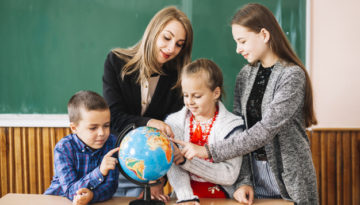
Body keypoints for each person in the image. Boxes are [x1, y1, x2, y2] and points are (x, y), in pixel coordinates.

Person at [171, 3, 319, 205]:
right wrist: (244, 180)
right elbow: (241, 131)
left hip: (288, 176)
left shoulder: (292, 76)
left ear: (264, 35)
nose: (238, 49)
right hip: (254, 176)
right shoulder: (245, 76)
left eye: (242, 41)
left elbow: (264, 130)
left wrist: (207, 150)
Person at [102, 6, 193, 201]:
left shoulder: (177, 79)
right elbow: (113, 118)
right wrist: (150, 122)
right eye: (167, 38)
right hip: (112, 166)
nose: (171, 49)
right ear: (154, 31)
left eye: (179, 44)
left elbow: (172, 132)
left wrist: (157, 182)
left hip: (151, 171)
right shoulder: (116, 62)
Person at [165, 59, 245, 204]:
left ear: (216, 93)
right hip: (184, 197)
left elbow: (229, 175)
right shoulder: (174, 123)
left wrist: (186, 162)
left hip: (222, 198)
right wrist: (186, 196)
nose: (190, 102)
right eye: (185, 95)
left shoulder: (232, 126)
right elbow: (174, 167)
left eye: (197, 96)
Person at [44, 90, 119, 204]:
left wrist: (92, 196)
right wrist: (100, 172)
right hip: (58, 200)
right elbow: (70, 191)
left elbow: (111, 187)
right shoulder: (64, 148)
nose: (101, 133)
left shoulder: (111, 143)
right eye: (93, 128)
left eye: (106, 126)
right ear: (74, 128)